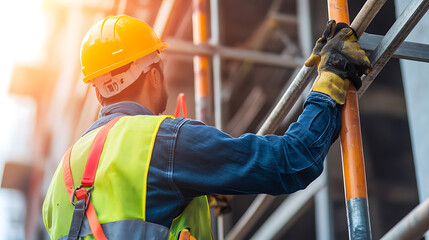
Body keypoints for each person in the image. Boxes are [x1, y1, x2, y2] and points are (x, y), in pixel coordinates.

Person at [42, 15, 370, 240]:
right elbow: (292, 161)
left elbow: (134, 218)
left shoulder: (59, 182)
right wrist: (330, 83)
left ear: (99, 91)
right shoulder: (162, 141)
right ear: (154, 74)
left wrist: (198, 196)